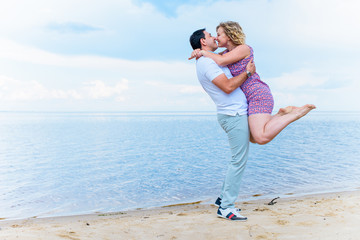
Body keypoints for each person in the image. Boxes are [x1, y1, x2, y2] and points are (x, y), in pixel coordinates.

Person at [190, 21, 316, 144]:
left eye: (218, 34)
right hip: (249, 98)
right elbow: (214, 57)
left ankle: (296, 114)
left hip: (258, 94)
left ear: (228, 35)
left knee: (261, 138)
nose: (216, 38)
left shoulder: (244, 49)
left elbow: (221, 61)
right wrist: (199, 52)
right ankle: (280, 114)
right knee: (252, 137)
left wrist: (203, 52)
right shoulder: (225, 53)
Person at [189, 28, 256, 221]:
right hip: (233, 115)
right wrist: (247, 73)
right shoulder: (206, 64)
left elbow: (223, 58)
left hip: (234, 114)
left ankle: (222, 199)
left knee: (237, 159)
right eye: (210, 35)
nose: (214, 37)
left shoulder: (209, 59)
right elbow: (227, 87)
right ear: (203, 41)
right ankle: (226, 207)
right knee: (238, 161)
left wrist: (200, 52)